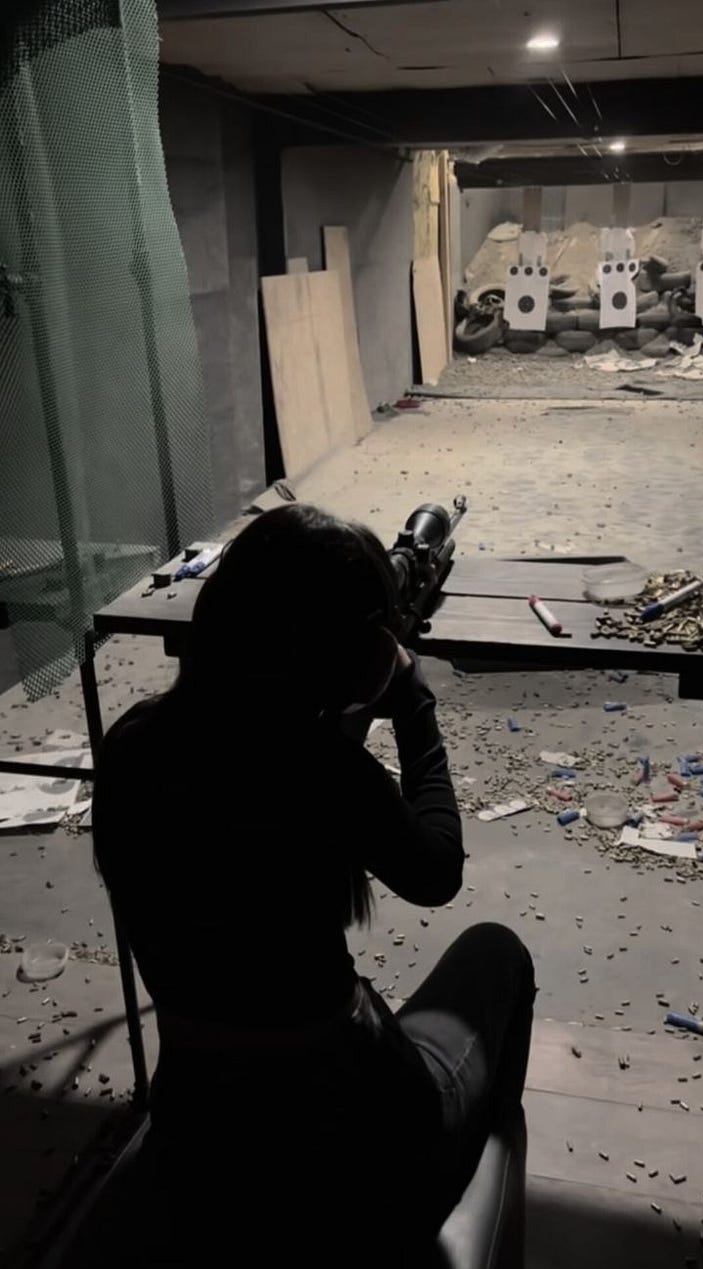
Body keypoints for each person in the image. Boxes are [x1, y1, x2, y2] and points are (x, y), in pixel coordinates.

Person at [92, 503, 535, 1267]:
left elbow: (257, 775)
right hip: (353, 1146)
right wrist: (413, 699)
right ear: (354, 656)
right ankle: (467, 1204)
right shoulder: (323, 769)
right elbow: (437, 871)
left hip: (202, 1122)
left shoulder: (135, 744)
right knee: (498, 954)